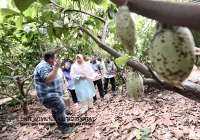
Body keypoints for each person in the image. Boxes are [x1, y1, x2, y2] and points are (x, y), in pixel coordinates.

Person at [33, 51, 76, 134]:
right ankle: (64, 128)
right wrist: (56, 68)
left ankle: (61, 125)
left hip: (52, 94)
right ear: (50, 59)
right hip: (48, 95)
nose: (56, 59)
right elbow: (48, 79)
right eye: (55, 58)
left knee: (57, 109)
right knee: (60, 106)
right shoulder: (42, 67)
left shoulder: (48, 65)